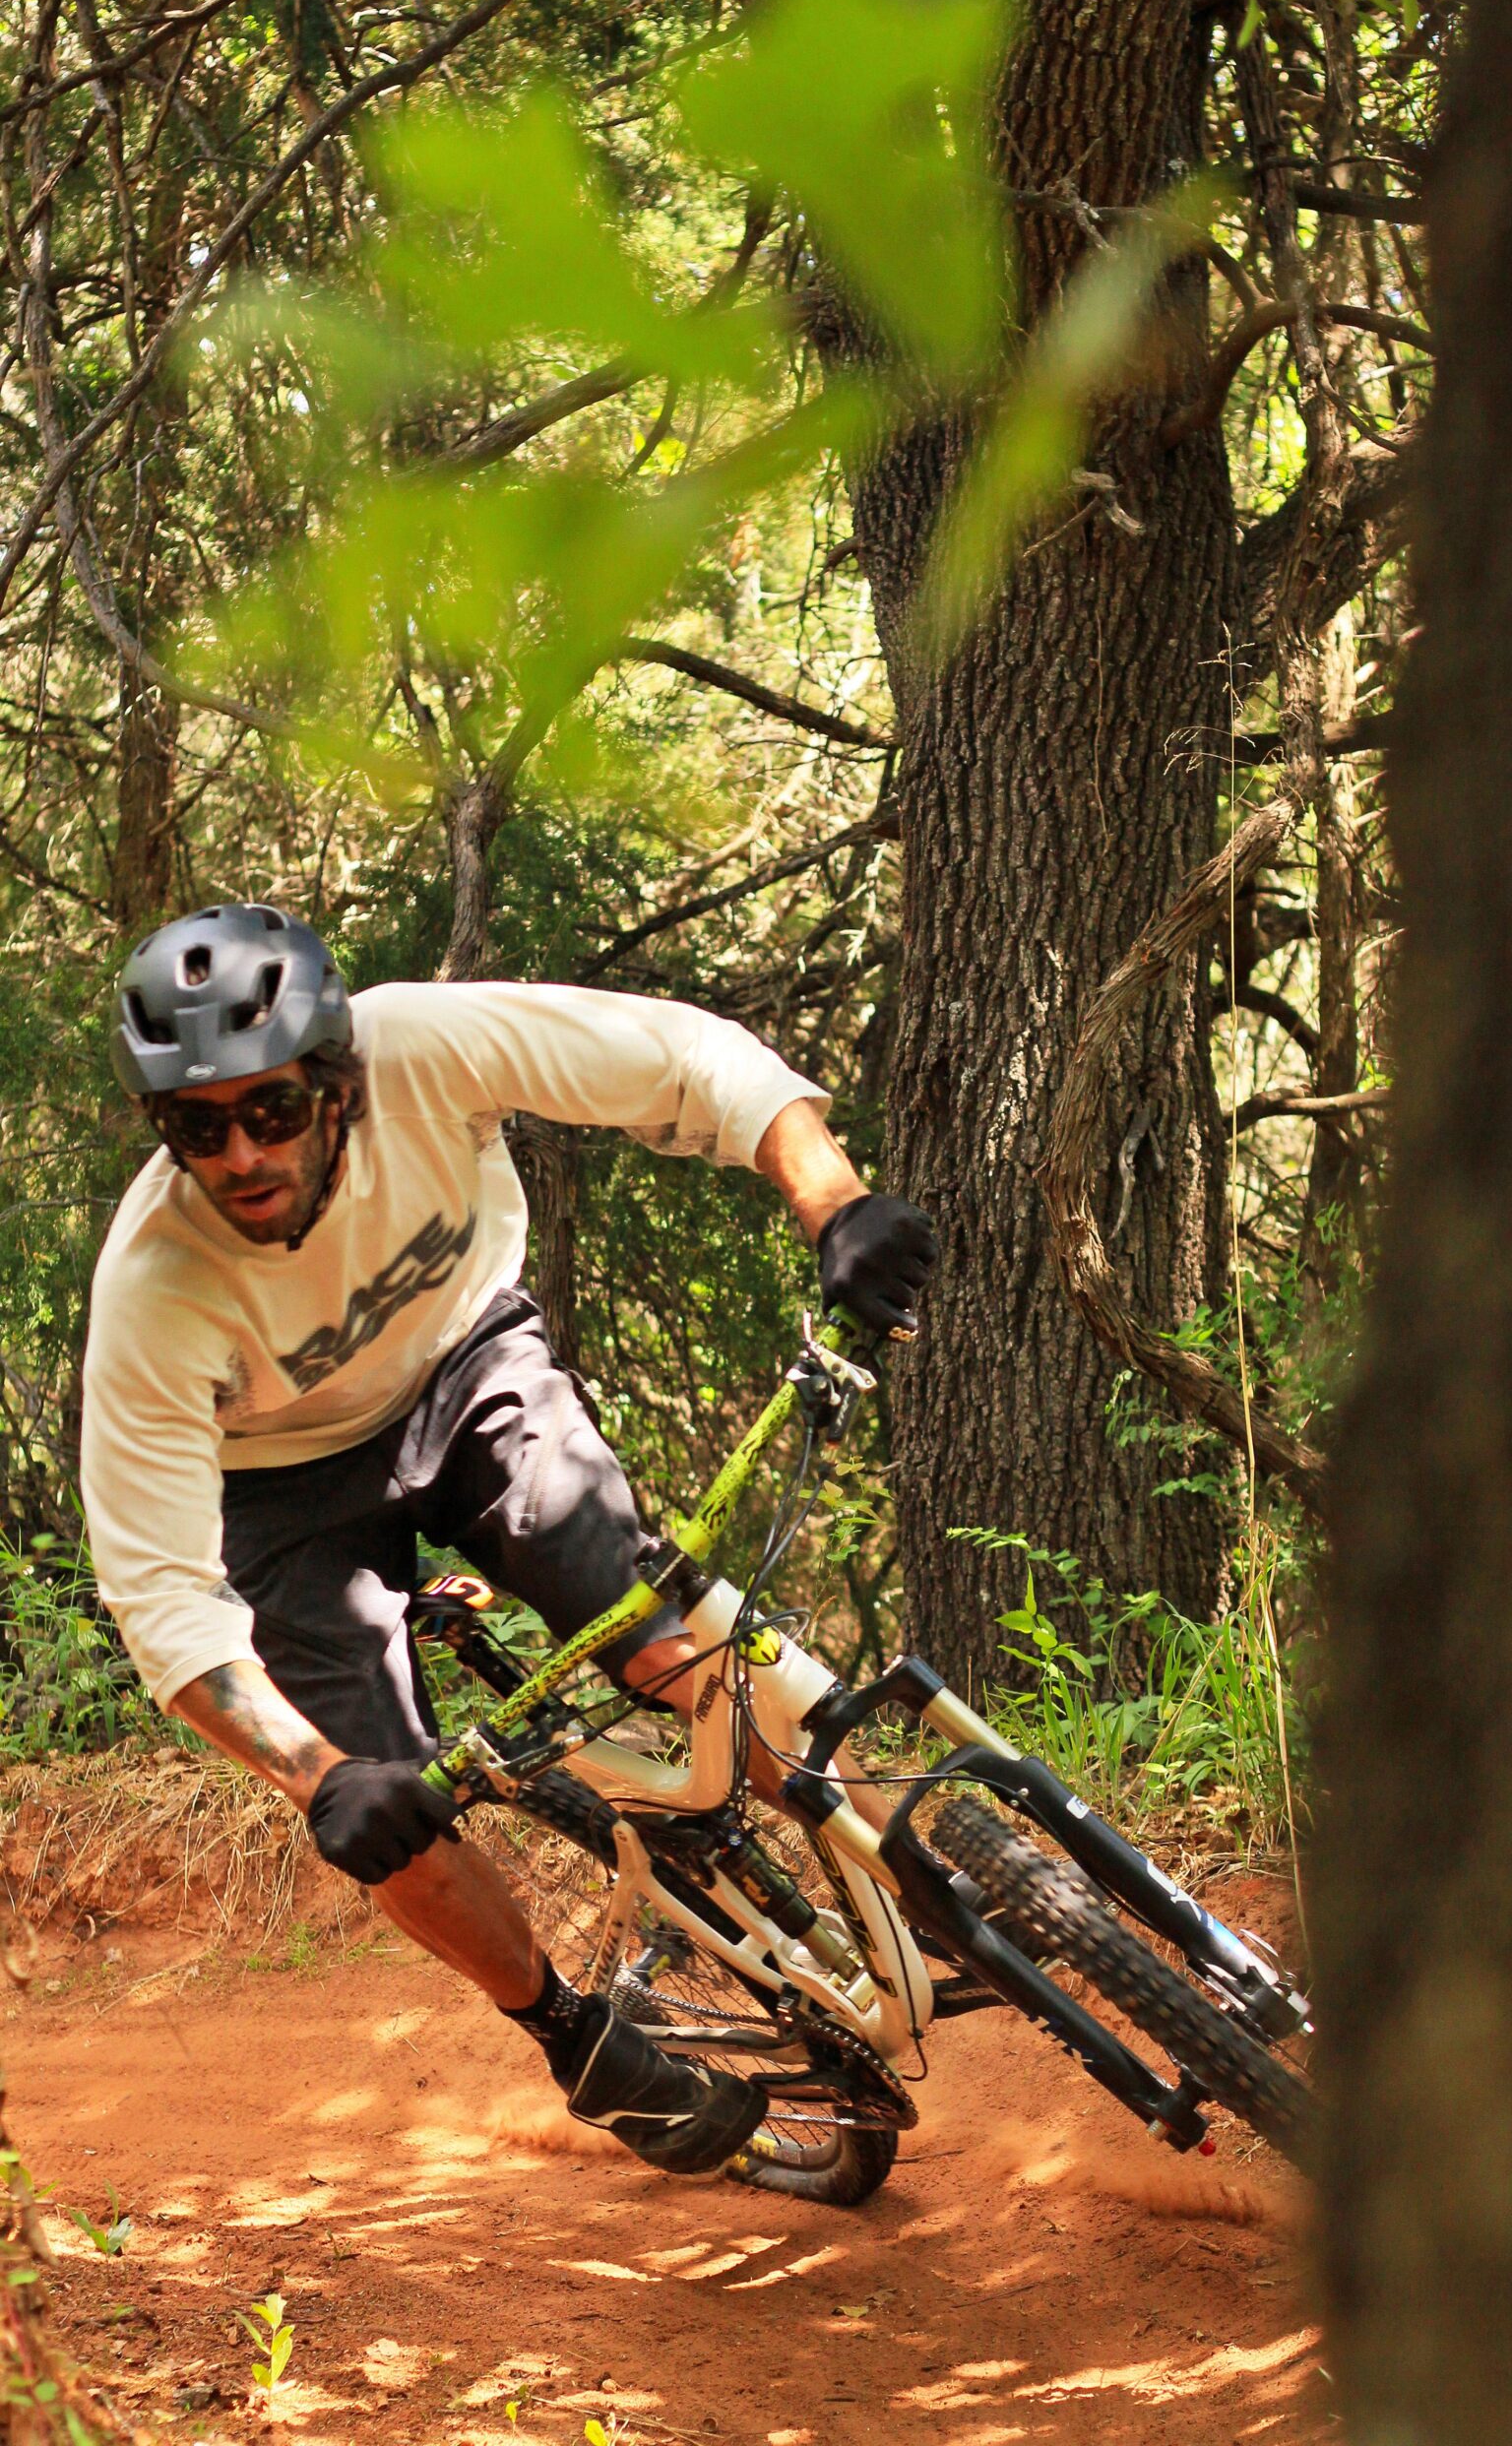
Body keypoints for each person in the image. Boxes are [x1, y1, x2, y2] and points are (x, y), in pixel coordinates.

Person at [80, 903, 936, 2175]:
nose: (241, 1153)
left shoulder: (422, 1047)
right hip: (281, 1487)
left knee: (660, 1641)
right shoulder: (154, 1285)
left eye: (270, 1111)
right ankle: (575, 2038)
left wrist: (835, 1205)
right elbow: (158, 1600)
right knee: (392, 1812)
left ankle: (927, 1874)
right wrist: (319, 1779)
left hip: (466, 1365)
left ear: (335, 1082)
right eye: (199, 1128)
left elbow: (683, 1063)